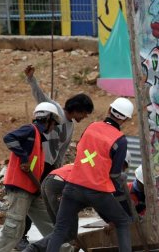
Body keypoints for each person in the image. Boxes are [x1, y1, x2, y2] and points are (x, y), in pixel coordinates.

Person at [18, 65, 94, 250]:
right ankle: (21, 238)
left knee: (41, 201)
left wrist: (57, 170)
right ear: (76, 109)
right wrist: (31, 79)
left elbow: (61, 151)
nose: (84, 117)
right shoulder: (54, 110)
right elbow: (39, 96)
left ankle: (55, 237)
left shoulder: (70, 127)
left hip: (50, 168)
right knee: (30, 199)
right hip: (37, 162)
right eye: (84, 113)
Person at [45, 97, 134, 252]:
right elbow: (114, 175)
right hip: (98, 192)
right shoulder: (120, 140)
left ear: (109, 110)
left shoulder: (91, 127)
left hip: (72, 187)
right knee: (122, 221)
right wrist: (123, 202)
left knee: (60, 229)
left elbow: (82, 149)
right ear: (125, 119)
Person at [23, 151, 132, 252]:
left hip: (51, 181)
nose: (120, 170)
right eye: (121, 166)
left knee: (62, 232)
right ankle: (33, 249)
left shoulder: (95, 165)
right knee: (67, 232)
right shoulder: (101, 172)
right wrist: (110, 220)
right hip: (60, 184)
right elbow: (99, 201)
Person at [0, 102, 62, 252]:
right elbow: (9, 138)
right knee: (15, 227)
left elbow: (34, 166)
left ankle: (64, 248)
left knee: (48, 223)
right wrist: (23, 159)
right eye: (54, 123)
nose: (54, 127)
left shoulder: (38, 138)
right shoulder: (30, 130)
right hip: (20, 188)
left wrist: (39, 189)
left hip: (31, 188)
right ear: (47, 119)